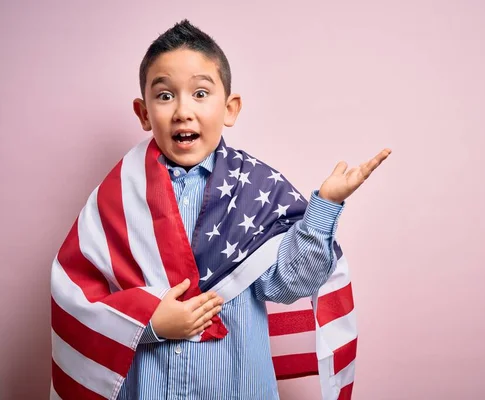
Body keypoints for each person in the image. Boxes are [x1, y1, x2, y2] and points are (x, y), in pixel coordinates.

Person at [50, 19, 390, 400]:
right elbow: (76, 296)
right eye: (164, 96)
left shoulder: (256, 190)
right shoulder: (117, 198)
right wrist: (150, 322)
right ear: (143, 113)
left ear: (230, 108)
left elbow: (292, 282)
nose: (182, 110)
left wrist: (325, 205)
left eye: (200, 93)